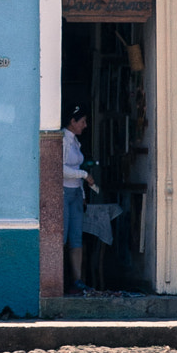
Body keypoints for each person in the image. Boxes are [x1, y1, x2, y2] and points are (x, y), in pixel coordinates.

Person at [62, 105, 99, 296]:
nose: (85, 125)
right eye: (82, 121)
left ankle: (77, 281)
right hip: (63, 193)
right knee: (62, 237)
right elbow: (58, 168)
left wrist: (83, 195)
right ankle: (58, 280)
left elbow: (74, 170)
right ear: (72, 122)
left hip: (76, 194)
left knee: (77, 238)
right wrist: (84, 174)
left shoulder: (75, 141)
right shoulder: (63, 140)